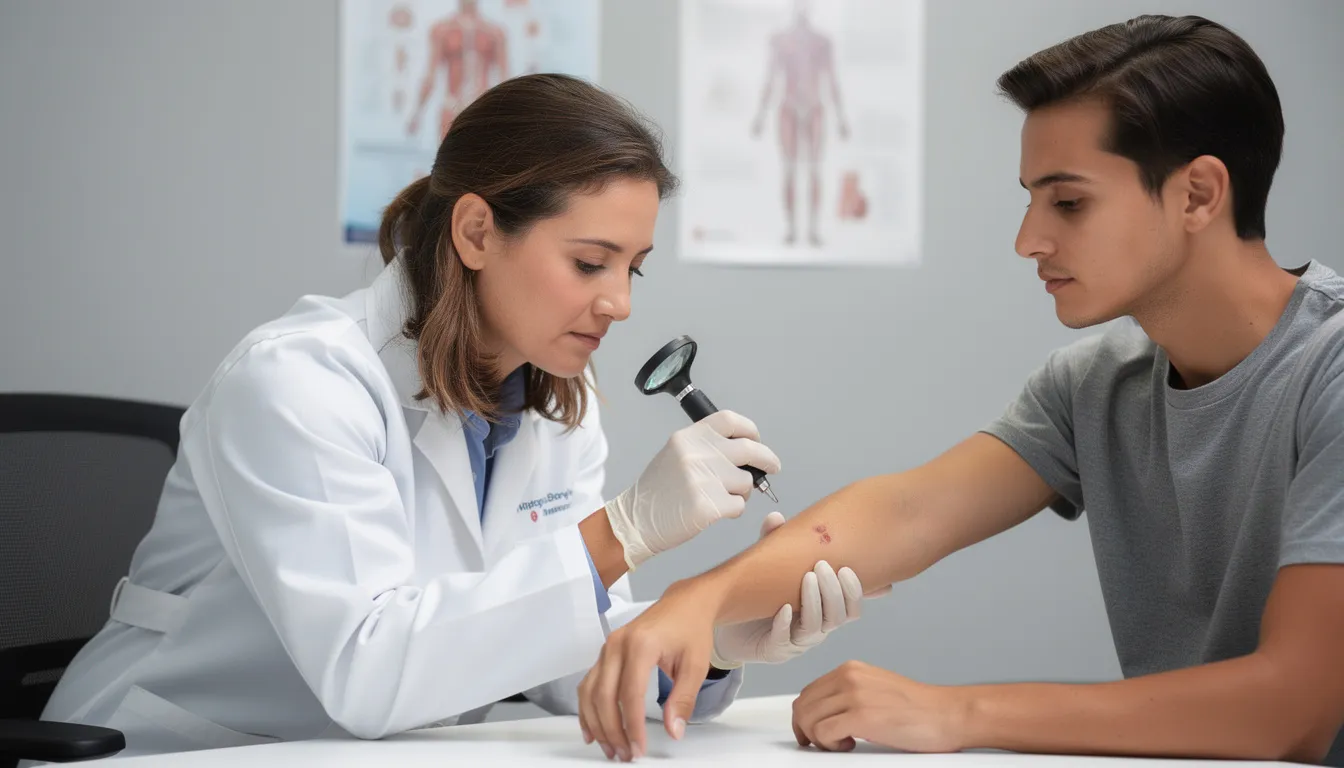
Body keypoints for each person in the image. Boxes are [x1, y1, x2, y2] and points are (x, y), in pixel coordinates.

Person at [577, 14, 1344, 766]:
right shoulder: (1095, 384)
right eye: (1031, 197)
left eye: (1068, 202)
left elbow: (1295, 711)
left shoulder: (1331, 371)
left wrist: (954, 713)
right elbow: (910, 512)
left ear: (1199, 195)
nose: (1028, 240)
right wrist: (698, 603)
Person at [37, 74, 873, 761]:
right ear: (477, 231)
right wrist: (619, 531)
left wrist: (715, 635)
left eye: (634, 270)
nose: (617, 303)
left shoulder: (557, 409)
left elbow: (544, 645)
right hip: (172, 748)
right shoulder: (298, 382)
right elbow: (369, 672)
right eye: (589, 263)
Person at [750, 0, 848, 247]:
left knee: (814, 168)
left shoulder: (822, 42)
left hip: (814, 107)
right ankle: (792, 229)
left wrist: (841, 118)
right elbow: (771, 78)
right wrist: (760, 116)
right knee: (790, 169)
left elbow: (831, 79)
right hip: (789, 107)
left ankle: (813, 229)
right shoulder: (781, 40)